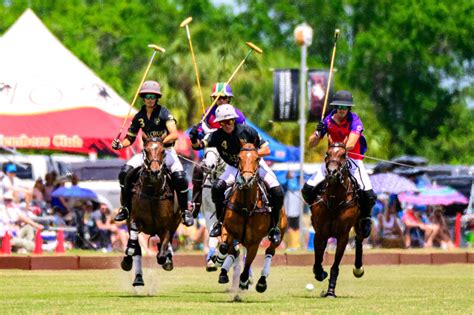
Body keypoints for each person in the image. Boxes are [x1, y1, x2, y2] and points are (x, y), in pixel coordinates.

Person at [189, 105, 284, 245]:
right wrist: (193, 138)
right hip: (234, 167)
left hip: (255, 165)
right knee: (217, 187)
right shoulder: (216, 135)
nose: (227, 125)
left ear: (234, 120)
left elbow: (267, 149)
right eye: (223, 122)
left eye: (230, 121)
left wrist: (250, 156)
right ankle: (220, 222)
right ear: (219, 123)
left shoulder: (247, 131)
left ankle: (274, 227)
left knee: (277, 190)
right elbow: (199, 146)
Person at [111, 80, 193, 227]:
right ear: (143, 97)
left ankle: (184, 211)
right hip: (148, 153)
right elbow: (130, 138)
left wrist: (160, 144)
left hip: (165, 152)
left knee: (180, 177)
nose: (150, 99)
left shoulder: (164, 113)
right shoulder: (139, 116)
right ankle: (125, 208)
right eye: (147, 96)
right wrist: (120, 145)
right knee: (124, 172)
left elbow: (174, 134)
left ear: (157, 98)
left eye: (153, 96)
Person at [301, 90, 377, 239]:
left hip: (352, 159)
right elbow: (311, 144)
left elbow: (351, 142)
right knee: (307, 189)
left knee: (369, 194)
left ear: (349, 108)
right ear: (335, 106)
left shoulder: (355, 121)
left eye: (345, 107)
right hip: (332, 160)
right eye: (339, 106)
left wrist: (338, 149)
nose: (342, 109)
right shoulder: (328, 120)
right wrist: (317, 134)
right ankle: (315, 214)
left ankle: (365, 219)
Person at [190, 83, 246, 216]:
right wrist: (194, 135)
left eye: (223, 98)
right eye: (217, 98)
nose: (220, 101)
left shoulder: (237, 115)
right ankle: (195, 204)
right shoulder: (208, 113)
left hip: (232, 153)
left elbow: (244, 136)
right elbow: (200, 136)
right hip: (212, 149)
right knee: (199, 169)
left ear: (229, 99)